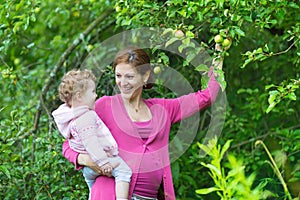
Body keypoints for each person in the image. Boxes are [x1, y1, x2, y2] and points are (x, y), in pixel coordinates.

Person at [62, 46, 223, 200]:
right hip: (109, 193)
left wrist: (219, 54)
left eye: (129, 76)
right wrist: (86, 160)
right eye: (118, 76)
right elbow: (68, 144)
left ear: (145, 77)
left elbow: (207, 96)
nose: (122, 83)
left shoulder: (164, 108)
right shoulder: (104, 106)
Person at [52, 69, 132, 200]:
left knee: (93, 190)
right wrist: (103, 162)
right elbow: (91, 143)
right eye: (93, 92)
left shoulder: (69, 114)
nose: (95, 95)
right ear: (79, 96)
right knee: (124, 171)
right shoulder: (85, 117)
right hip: (98, 162)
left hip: (88, 169)